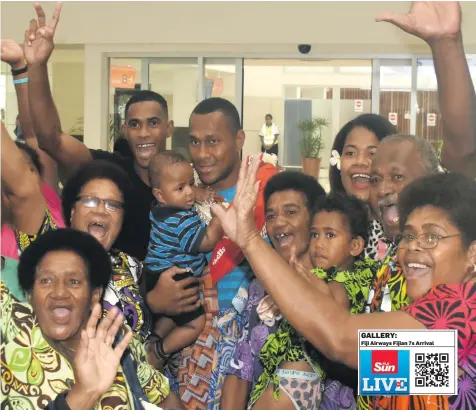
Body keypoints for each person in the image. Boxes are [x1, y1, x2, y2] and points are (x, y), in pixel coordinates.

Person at [214, 156, 476, 409]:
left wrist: (249, 240)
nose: (413, 247)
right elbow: (381, 371)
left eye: (431, 237)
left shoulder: (459, 311)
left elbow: (339, 337)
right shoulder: (442, 327)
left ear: (472, 252)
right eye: (408, 236)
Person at [169, 98, 278, 410]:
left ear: (239, 140)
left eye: (213, 141)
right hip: (196, 350)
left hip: (260, 345)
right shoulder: (182, 196)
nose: (202, 154)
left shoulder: (268, 191)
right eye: (195, 142)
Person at [1, 228, 183, 409]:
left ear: (94, 296)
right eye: (46, 280)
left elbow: (163, 396)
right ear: (31, 295)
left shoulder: (116, 340)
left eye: (74, 281)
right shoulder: (13, 359)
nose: (59, 292)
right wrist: (85, 393)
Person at [249, 192, 373, 410]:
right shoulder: (322, 277)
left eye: (330, 235)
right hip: (291, 382)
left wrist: (299, 288)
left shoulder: (342, 285)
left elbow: (334, 309)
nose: (319, 244)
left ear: (355, 246)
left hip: (294, 381)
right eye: (315, 235)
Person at [221, 171, 326, 410]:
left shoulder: (338, 284)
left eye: (291, 212)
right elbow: (240, 368)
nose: (279, 223)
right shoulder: (258, 287)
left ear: (316, 219)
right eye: (271, 215)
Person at [143, 151, 224, 368]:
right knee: (196, 323)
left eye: (190, 184)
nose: (189, 193)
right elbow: (205, 242)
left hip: (156, 273)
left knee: (174, 315)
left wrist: (199, 192)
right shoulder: (180, 220)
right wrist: (218, 219)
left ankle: (153, 340)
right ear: (160, 195)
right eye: (180, 188)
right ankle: (160, 353)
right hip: (174, 277)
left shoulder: (160, 211)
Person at [1, 38, 63, 260]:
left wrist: (20, 69)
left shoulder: (50, 202)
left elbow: (33, 134)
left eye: (28, 169)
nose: (18, 177)